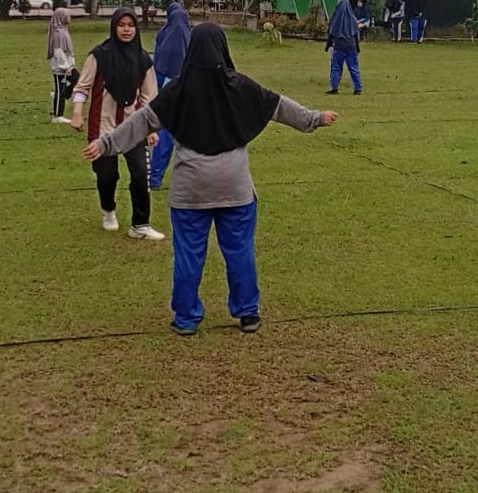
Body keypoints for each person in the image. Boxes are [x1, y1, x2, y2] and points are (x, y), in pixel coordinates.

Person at [85, 22, 338, 335]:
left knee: (188, 256)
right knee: (239, 252)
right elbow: (278, 106)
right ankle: (248, 313)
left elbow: (141, 121)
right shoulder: (239, 86)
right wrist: (315, 118)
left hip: (190, 190)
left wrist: (105, 143)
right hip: (235, 188)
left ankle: (186, 318)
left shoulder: (176, 90)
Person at [70, 8, 163, 240]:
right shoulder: (99, 56)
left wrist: (150, 129)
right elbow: (82, 86)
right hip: (103, 128)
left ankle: (140, 224)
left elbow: (149, 97)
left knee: (141, 174)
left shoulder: (143, 60)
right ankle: (108, 209)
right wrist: (77, 112)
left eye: (130, 25)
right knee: (107, 176)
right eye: (121, 25)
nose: (126, 30)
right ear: (114, 27)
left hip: (134, 128)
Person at [148, 2, 192, 189]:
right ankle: (191, 179)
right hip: (187, 98)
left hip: (165, 98)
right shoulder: (190, 38)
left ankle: (155, 178)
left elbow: (156, 69)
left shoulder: (163, 35)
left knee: (163, 138)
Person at [326, 0, 362, 96]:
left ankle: (334, 88)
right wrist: (357, 48)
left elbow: (331, 34)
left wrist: (328, 46)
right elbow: (356, 36)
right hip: (351, 47)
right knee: (354, 67)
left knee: (336, 67)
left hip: (338, 46)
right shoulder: (353, 19)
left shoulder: (335, 19)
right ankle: (358, 88)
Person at [47, 8, 77, 124]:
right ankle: (57, 116)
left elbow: (68, 51)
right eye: (68, 16)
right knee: (61, 89)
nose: (70, 18)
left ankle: (59, 95)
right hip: (60, 68)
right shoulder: (58, 34)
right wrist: (65, 67)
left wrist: (71, 64)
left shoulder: (64, 30)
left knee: (79, 79)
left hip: (68, 66)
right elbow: (58, 52)